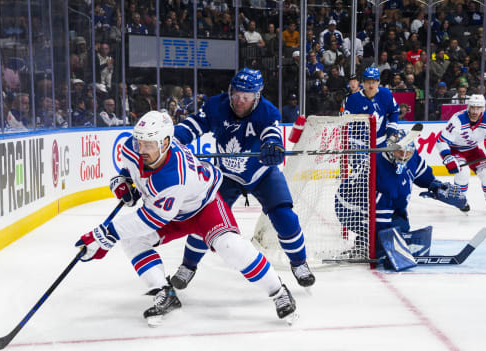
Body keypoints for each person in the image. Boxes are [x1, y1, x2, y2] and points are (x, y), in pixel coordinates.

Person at [75, 111, 297, 325]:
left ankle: (278, 291)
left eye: (149, 144)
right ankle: (165, 292)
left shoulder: (175, 176)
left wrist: (106, 233)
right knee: (133, 240)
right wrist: (123, 180)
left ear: (165, 143)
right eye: (139, 142)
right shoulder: (132, 149)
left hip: (204, 208)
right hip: (170, 212)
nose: (141, 149)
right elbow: (130, 169)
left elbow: (151, 219)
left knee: (231, 247)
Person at [169, 68, 316, 290]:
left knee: (284, 216)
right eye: (236, 94)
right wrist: (171, 141)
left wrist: (272, 147)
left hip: (262, 174)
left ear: (257, 96)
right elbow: (192, 127)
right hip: (226, 176)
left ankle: (299, 263)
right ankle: (188, 266)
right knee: (202, 221)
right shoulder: (216, 105)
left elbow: (272, 134)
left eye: (245, 97)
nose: (239, 101)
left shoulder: (268, 111)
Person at [335, 129, 466, 264]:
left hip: (376, 201)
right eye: (400, 151)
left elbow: (422, 174)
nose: (404, 156)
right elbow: (380, 217)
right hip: (350, 207)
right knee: (383, 240)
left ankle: (371, 243)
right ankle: (364, 248)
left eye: (408, 152)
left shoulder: (412, 157)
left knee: (401, 226)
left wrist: (435, 186)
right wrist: (386, 247)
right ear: (391, 149)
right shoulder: (382, 173)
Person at [342, 67, 399, 146]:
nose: (371, 85)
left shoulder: (386, 93)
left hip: (380, 141)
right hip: (359, 143)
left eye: (374, 82)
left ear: (378, 82)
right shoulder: (353, 99)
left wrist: (392, 125)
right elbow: (346, 120)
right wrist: (348, 139)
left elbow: (394, 111)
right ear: (363, 83)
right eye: (368, 82)